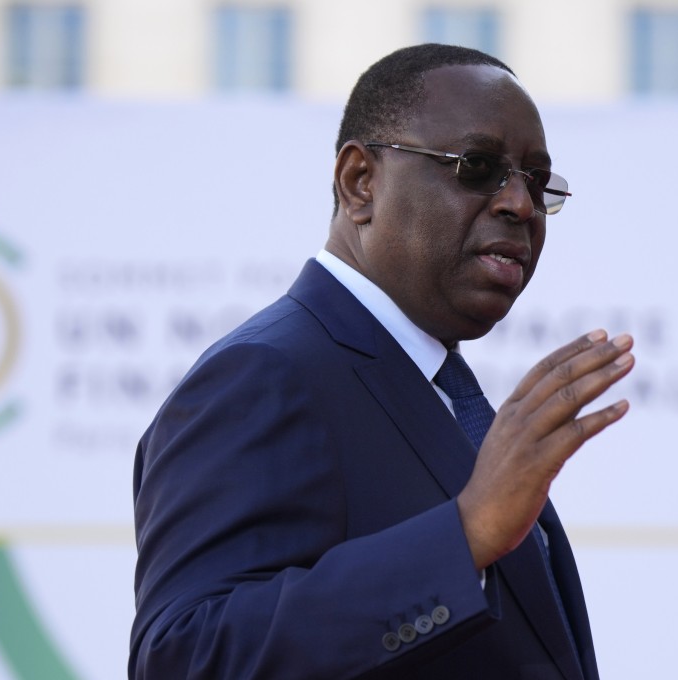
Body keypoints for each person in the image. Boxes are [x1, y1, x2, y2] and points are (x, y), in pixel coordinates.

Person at [130, 43, 634, 680]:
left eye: (536, 181)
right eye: (477, 166)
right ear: (359, 182)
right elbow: (185, 658)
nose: (521, 205)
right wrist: (464, 535)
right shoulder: (265, 374)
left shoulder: (439, 387)